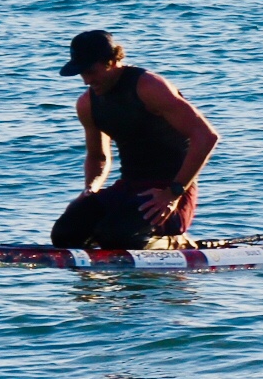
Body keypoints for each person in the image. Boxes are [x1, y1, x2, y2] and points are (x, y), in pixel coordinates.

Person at [53, 30, 220, 249]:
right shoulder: (87, 104)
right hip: (128, 189)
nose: (86, 80)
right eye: (81, 73)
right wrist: (90, 190)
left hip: (169, 192)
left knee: (117, 238)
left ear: (112, 61)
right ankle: (109, 240)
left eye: (90, 71)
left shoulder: (149, 87)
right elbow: (98, 156)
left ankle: (176, 242)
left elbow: (206, 136)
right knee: (65, 235)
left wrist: (173, 193)